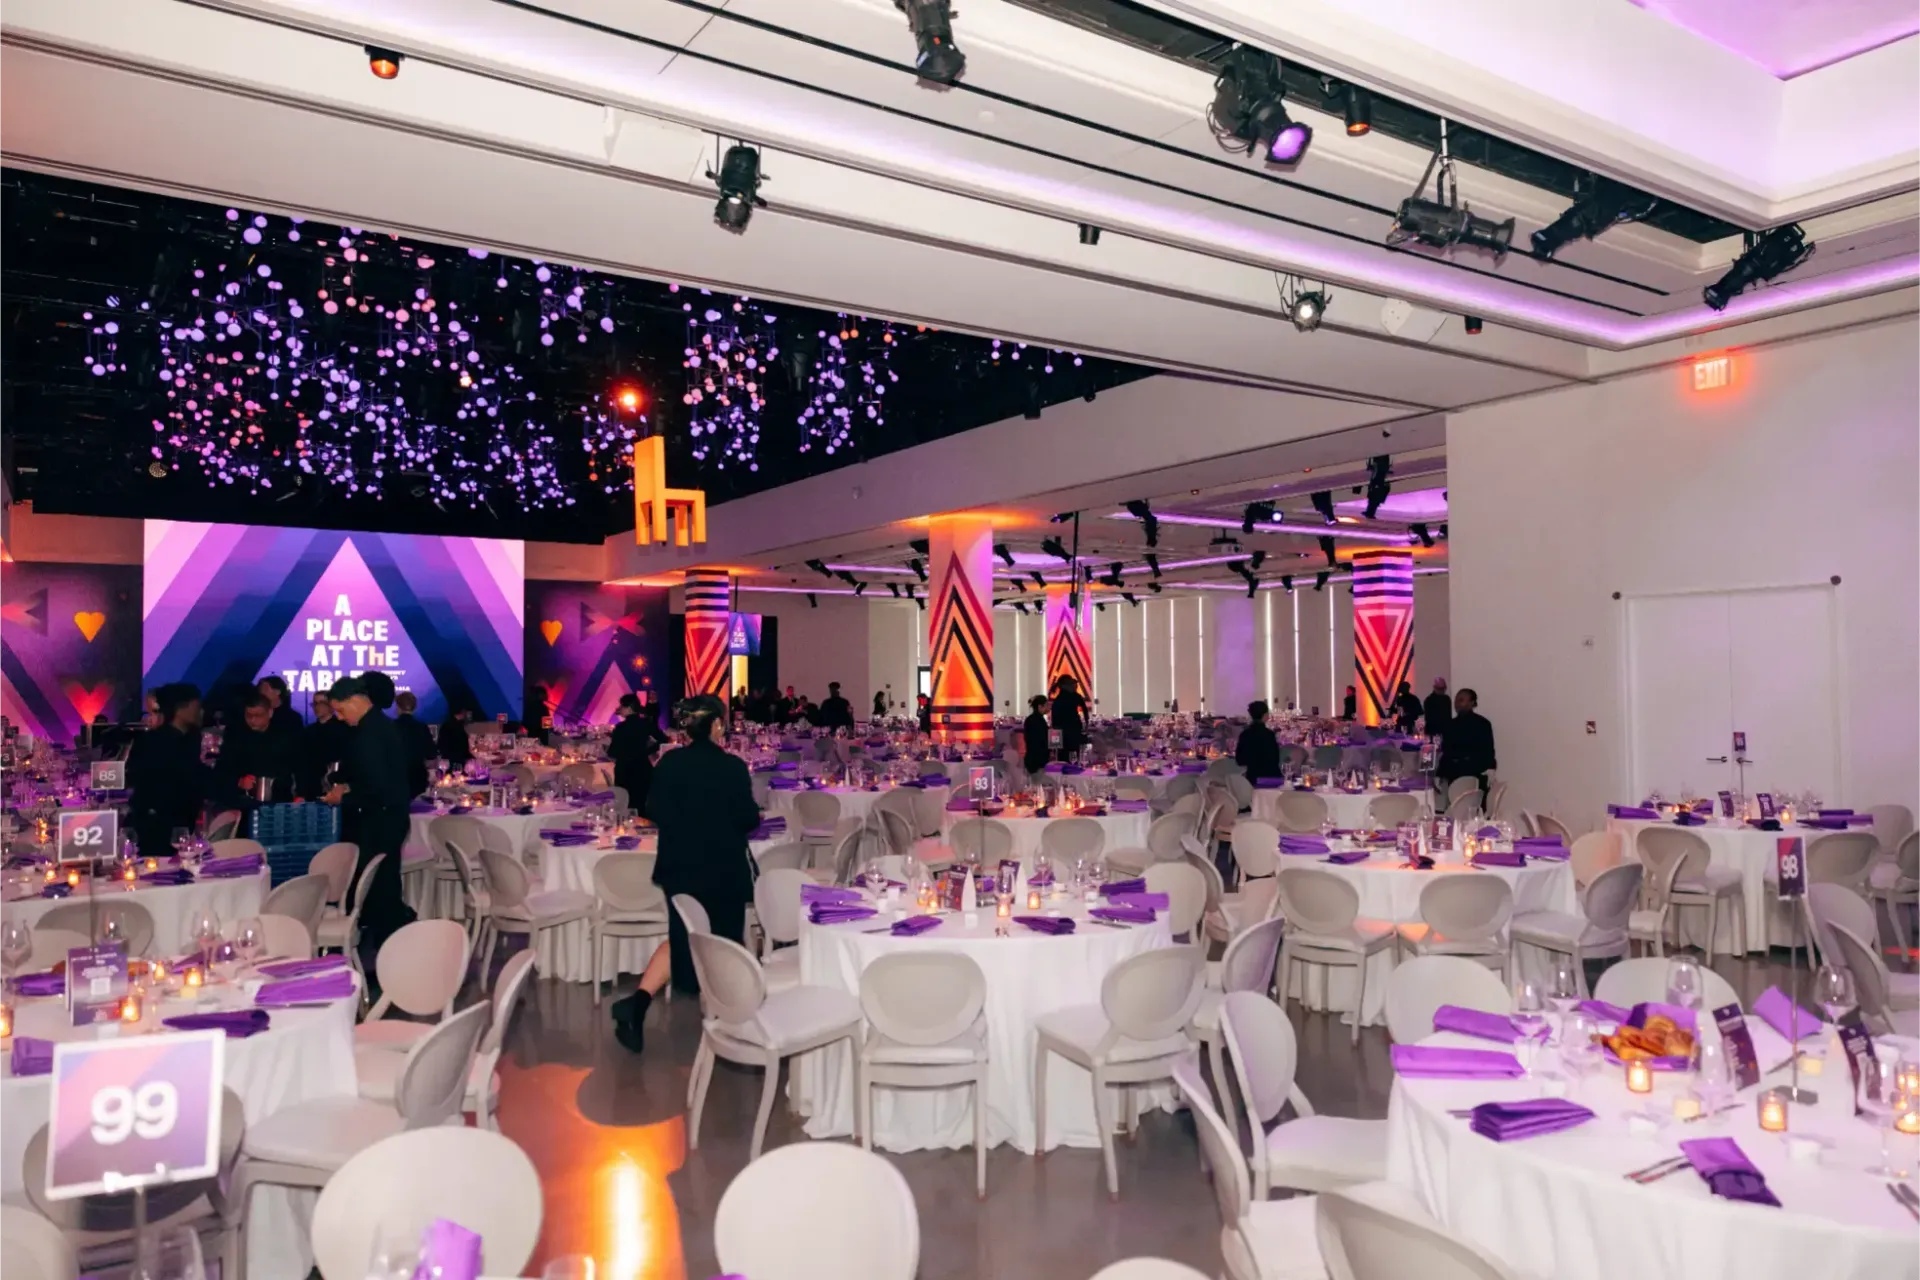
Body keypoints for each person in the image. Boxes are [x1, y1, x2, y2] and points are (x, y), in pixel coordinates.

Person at [611, 695, 760, 1054]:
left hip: (679, 869)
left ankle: (638, 1004)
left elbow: (653, 809)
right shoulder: (732, 768)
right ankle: (730, 1024)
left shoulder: (669, 764)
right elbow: (749, 819)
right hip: (722, 869)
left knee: (684, 938)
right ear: (716, 725)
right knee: (722, 944)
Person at [322, 674, 417, 956]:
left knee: (380, 889)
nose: (338, 717)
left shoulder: (370, 732)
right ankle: (389, 952)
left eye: (340, 710)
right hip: (390, 816)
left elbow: (378, 787)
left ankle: (389, 955)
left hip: (382, 819)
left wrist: (344, 797)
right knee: (382, 885)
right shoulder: (377, 726)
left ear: (355, 700)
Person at [128, 683, 222, 857]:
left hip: (182, 821)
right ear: (180, 710)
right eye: (196, 707)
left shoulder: (191, 738)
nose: (200, 712)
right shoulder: (154, 742)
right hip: (157, 824)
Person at [217, 690, 299, 805]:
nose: (253, 720)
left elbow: (299, 768)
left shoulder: (285, 735)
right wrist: (238, 781)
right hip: (243, 799)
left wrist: (300, 795)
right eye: (249, 715)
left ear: (270, 712)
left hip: (280, 798)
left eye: (258, 715)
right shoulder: (235, 735)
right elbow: (224, 766)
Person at [608, 692, 669, 812]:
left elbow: (613, 752)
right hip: (643, 769)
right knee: (641, 804)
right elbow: (663, 740)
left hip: (624, 771)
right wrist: (646, 751)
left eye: (622, 706)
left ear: (629, 708)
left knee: (625, 805)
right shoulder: (646, 724)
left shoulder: (621, 728)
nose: (619, 709)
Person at [1436, 687, 1497, 797]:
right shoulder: (1450, 725)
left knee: (1475, 808)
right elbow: (1447, 751)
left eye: (1461, 700)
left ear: (1472, 703)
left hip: (1476, 773)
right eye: (1456, 700)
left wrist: (1491, 768)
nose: (1457, 703)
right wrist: (1439, 773)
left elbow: (1488, 749)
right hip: (1454, 774)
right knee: (1455, 807)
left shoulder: (1482, 724)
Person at [300, 692, 353, 800]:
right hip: (312, 786)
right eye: (315, 703)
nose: (317, 707)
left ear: (331, 706)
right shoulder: (308, 731)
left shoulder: (343, 729)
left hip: (336, 784)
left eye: (321, 703)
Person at [392, 691, 437, 798]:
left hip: (396, 779)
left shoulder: (390, 727)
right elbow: (431, 754)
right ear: (414, 707)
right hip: (418, 778)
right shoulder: (422, 727)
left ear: (398, 707)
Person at [1234, 700, 1281, 784]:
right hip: (1271, 779)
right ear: (1265, 715)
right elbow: (1275, 759)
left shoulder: (1245, 734)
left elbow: (1240, 760)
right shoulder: (1269, 735)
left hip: (1252, 778)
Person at [1050, 674, 1089, 760]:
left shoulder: (1057, 701)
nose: (1075, 687)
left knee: (1062, 761)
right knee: (1075, 760)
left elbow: (1054, 724)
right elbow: (1084, 712)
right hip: (1073, 735)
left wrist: (1054, 746)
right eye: (1072, 684)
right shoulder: (1075, 697)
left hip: (1062, 738)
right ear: (1065, 686)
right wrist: (1086, 725)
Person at [1021, 694, 1051, 777]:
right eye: (1046, 705)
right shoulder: (1038, 721)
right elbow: (1042, 739)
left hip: (1031, 756)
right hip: (1037, 758)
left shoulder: (1031, 719)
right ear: (1040, 706)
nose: (1048, 708)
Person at [438, 705, 474, 772]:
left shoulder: (444, 726)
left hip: (446, 765)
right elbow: (464, 749)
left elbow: (440, 745)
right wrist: (475, 759)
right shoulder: (458, 728)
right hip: (458, 765)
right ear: (462, 712)